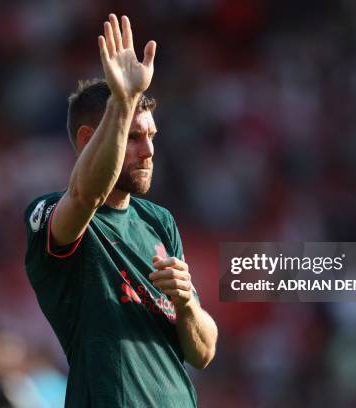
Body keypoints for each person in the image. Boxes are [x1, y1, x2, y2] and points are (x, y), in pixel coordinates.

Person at [24, 14, 218, 407]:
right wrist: (123, 100)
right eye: (133, 136)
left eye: (151, 136)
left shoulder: (158, 221)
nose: (148, 150)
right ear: (86, 140)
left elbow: (204, 351)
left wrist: (186, 304)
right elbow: (84, 196)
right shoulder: (52, 212)